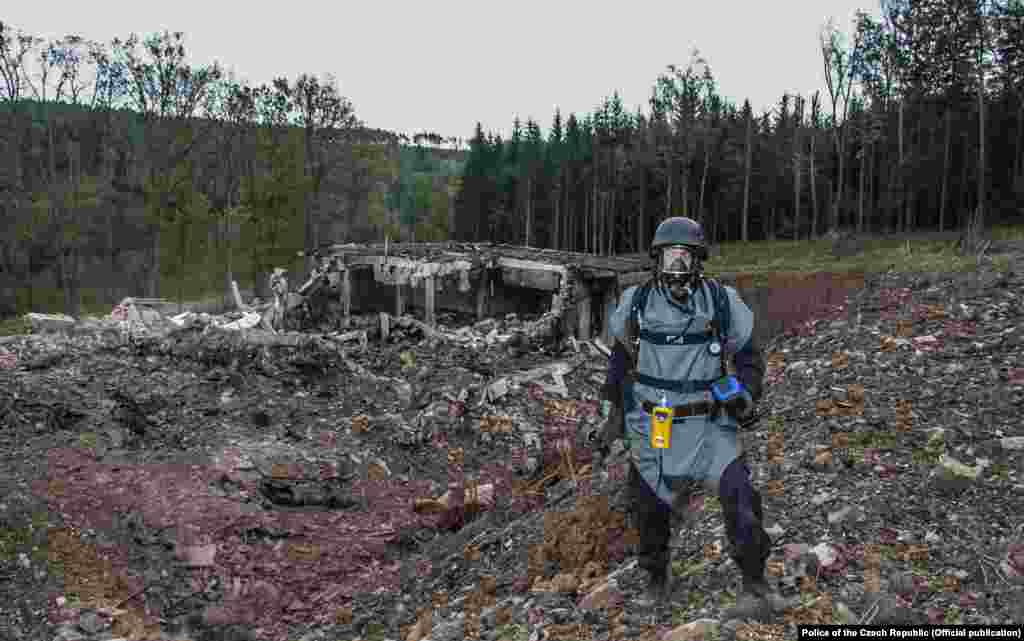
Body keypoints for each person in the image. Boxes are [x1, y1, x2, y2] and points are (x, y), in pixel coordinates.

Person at [590, 216, 774, 611]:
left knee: (739, 495)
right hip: (656, 425)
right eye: (669, 258)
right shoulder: (636, 304)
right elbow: (620, 364)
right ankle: (656, 579)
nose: (676, 268)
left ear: (698, 261)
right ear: (656, 261)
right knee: (648, 504)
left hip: (710, 425)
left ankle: (756, 583)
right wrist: (612, 419)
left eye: (685, 258)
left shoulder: (722, 302)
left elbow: (749, 359)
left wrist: (744, 392)